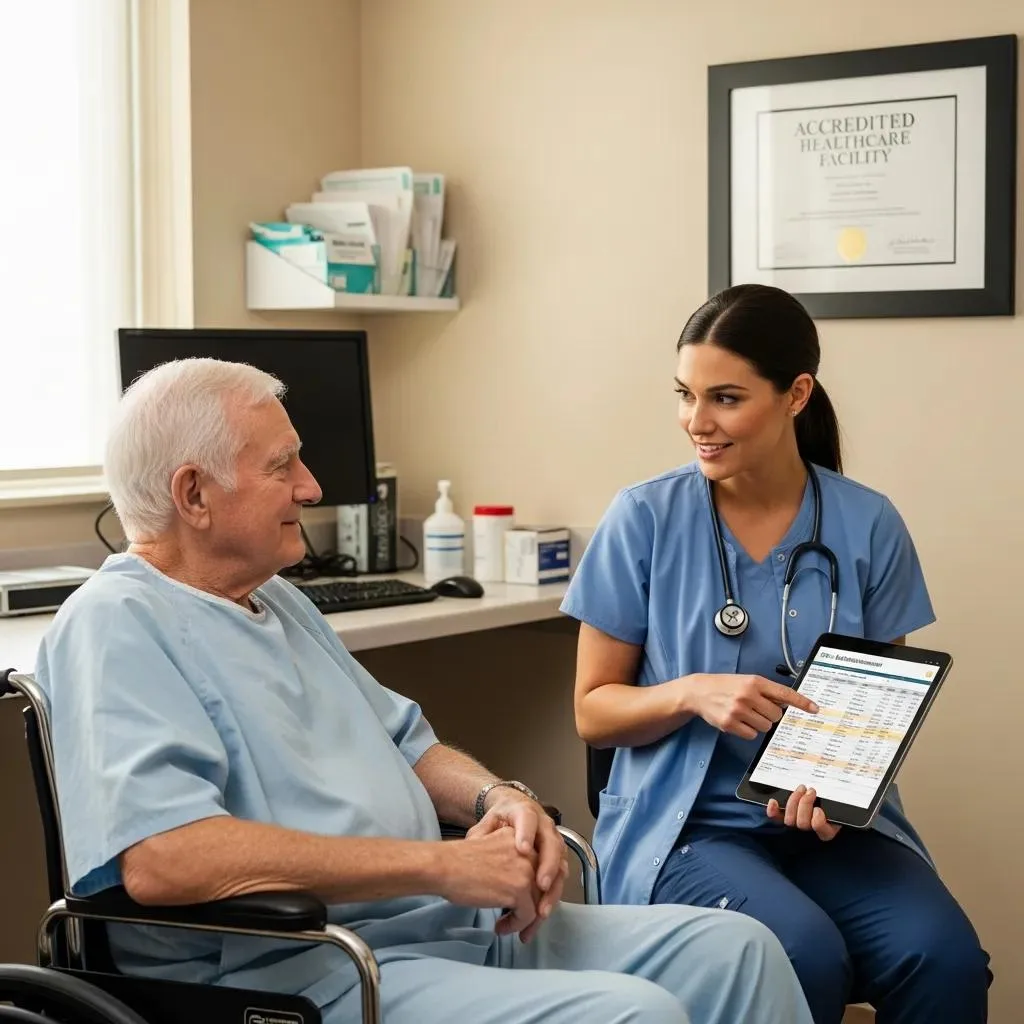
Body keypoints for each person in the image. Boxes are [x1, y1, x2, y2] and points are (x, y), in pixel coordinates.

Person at [35, 357, 813, 1024]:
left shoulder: (277, 600)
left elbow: (409, 746)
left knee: (739, 952)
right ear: (193, 494)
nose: (311, 488)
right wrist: (436, 866)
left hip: (448, 925)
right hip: (308, 970)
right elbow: (165, 859)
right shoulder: (117, 623)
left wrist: (499, 800)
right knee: (634, 1016)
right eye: (281, 467)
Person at [561, 284, 990, 1024]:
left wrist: (837, 795)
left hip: (826, 828)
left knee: (944, 957)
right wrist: (691, 692)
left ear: (797, 394)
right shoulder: (646, 518)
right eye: (685, 395)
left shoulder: (868, 524)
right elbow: (593, 712)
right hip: (689, 829)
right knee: (798, 952)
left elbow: (878, 705)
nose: (697, 423)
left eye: (725, 398)